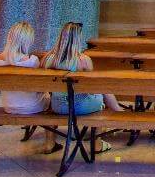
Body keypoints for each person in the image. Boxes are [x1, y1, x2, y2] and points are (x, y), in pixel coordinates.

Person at [43, 22, 122, 153]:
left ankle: (49, 143)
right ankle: (97, 143)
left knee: (51, 105)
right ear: (77, 40)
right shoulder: (83, 60)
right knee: (100, 94)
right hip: (80, 106)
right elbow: (91, 87)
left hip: (58, 106)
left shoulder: (48, 59)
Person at [0, 21, 49, 116]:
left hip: (8, 106)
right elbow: (40, 86)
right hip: (32, 106)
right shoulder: (32, 61)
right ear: (27, 41)